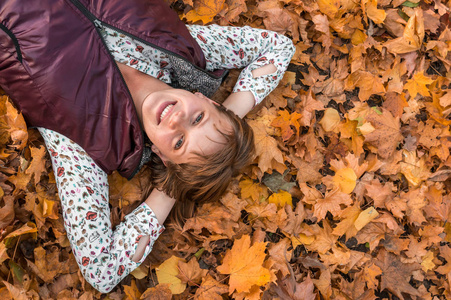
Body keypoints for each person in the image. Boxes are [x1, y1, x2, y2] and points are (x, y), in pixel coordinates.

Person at [0, 0, 295, 293]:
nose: (178, 119)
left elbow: (101, 270)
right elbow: (278, 48)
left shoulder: (84, 142)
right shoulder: (184, 49)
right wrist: (228, 116)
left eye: (179, 142)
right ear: (207, 99)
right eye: (199, 117)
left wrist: (173, 185)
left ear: (164, 157)